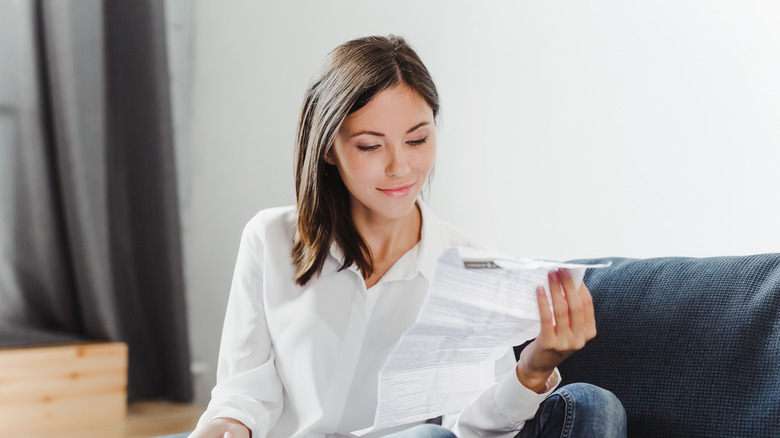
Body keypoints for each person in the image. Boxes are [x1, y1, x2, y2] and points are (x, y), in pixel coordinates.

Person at [188, 35, 627, 438]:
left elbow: (471, 431)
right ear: (327, 148)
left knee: (590, 406)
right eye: (369, 146)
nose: (400, 167)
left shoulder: (469, 266)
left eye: (417, 140)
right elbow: (243, 393)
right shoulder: (271, 237)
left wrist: (533, 368)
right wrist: (224, 428)